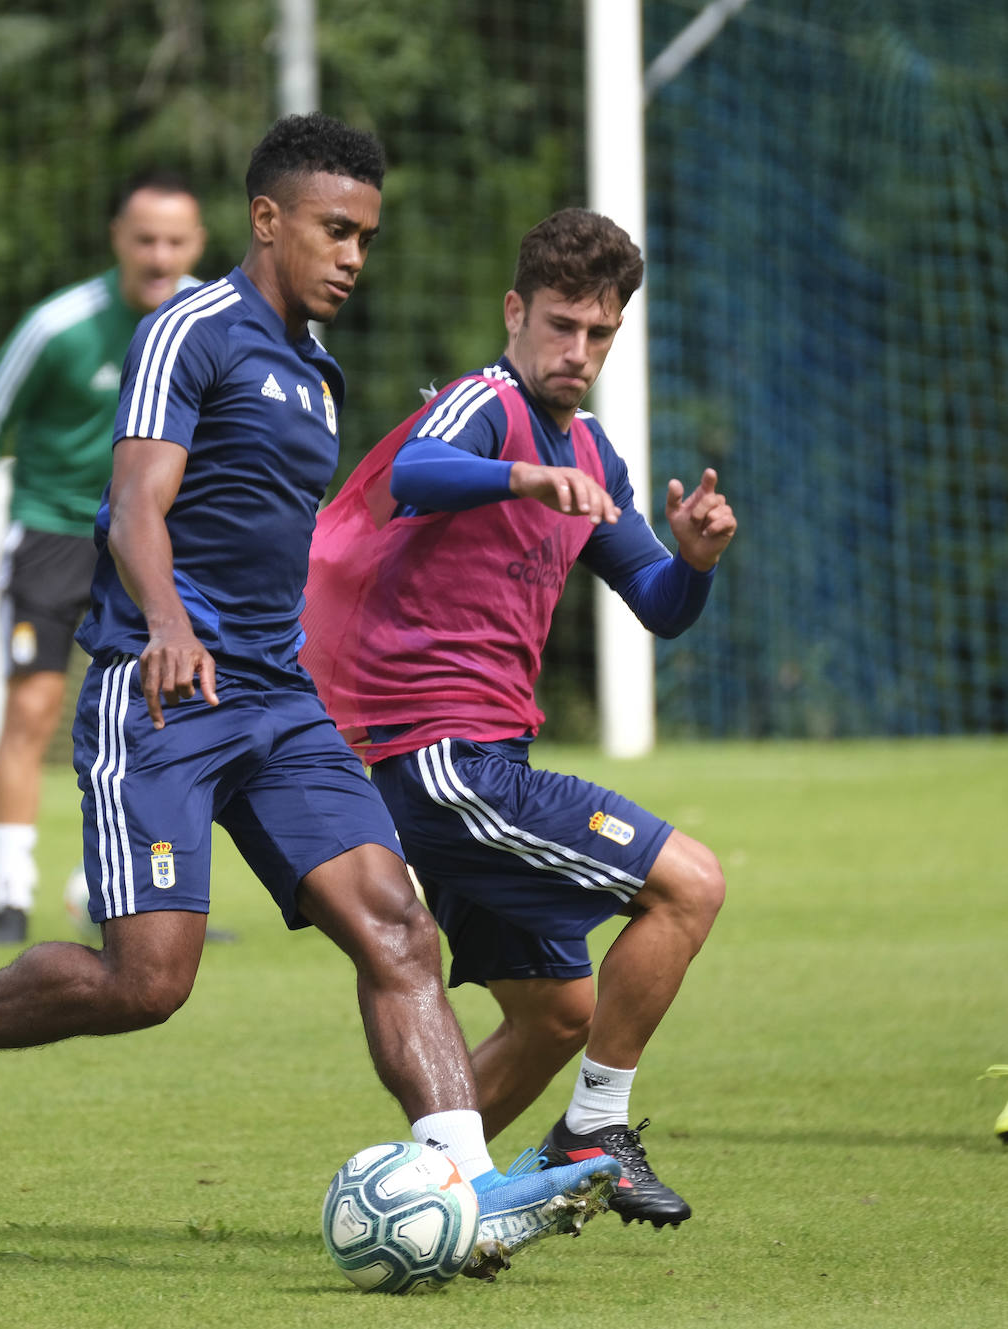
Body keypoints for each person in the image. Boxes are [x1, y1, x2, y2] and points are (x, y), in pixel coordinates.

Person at [0, 116, 620, 1281]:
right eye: (336, 230)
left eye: (367, 238)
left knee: (396, 927)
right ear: (268, 220)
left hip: (278, 703)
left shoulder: (315, 371)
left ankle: (463, 1183)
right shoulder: (189, 328)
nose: (353, 255)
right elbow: (138, 500)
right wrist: (174, 628)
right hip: (159, 689)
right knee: (148, 982)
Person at [300, 208, 736, 1229]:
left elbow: (661, 607)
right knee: (691, 886)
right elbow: (417, 472)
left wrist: (700, 563)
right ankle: (595, 1131)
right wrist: (526, 474)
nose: (576, 351)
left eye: (599, 333)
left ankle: (426, 1205)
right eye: (559, 326)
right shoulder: (483, 406)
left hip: (484, 757)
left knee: (556, 1016)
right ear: (515, 312)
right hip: (441, 760)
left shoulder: (591, 451)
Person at [0, 171, 207, 946]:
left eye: (176, 240)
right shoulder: (59, 325)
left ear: (198, 244)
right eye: (145, 238)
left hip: (156, 541)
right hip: (54, 536)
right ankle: (9, 897)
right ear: (118, 239)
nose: (160, 255)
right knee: (31, 709)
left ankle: (167, 897)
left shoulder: (209, 320)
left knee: (167, 719)